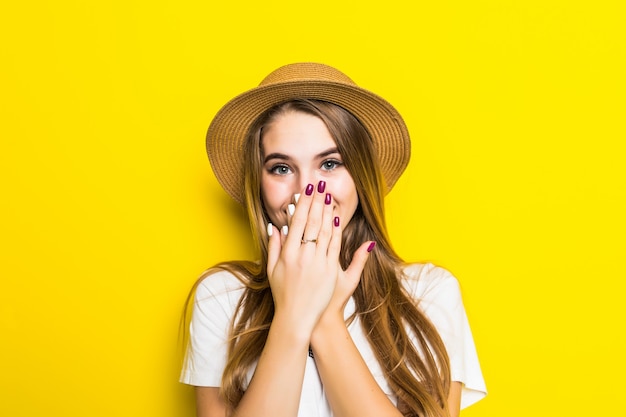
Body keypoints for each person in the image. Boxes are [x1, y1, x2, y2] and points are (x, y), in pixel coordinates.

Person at [180, 63, 486, 417]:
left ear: (359, 173)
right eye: (281, 168)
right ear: (259, 184)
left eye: (329, 164)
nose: (306, 192)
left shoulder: (428, 292)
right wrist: (293, 314)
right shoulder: (222, 296)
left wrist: (325, 316)